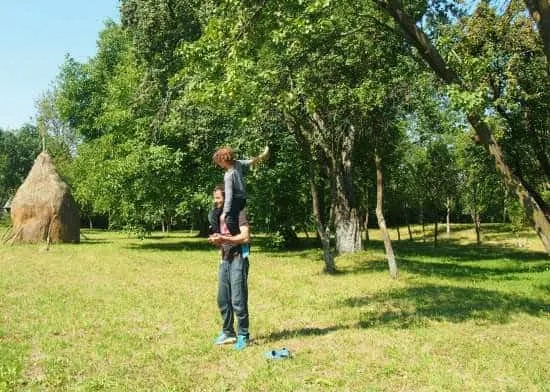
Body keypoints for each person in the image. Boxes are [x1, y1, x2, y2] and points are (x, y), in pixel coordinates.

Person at [208, 184, 252, 350]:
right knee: (223, 299)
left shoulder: (238, 212)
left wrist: (225, 239)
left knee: (238, 299)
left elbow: (246, 236)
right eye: (215, 198)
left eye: (219, 198)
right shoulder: (218, 214)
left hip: (238, 257)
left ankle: (243, 335)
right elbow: (221, 237)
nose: (216, 201)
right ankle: (228, 333)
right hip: (224, 259)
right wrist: (216, 240)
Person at [212, 146, 269, 236]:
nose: (218, 165)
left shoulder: (228, 176)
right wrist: (263, 155)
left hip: (236, 200)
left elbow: (229, 196)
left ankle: (240, 238)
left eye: (218, 162)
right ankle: (223, 234)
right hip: (242, 199)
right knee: (215, 214)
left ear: (222, 161)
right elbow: (251, 161)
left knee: (229, 220)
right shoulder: (237, 163)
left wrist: (225, 212)